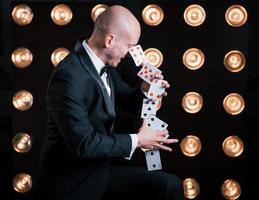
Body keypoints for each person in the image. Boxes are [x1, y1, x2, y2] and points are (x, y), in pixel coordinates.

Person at [33, 5, 184, 200]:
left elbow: (130, 101)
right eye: (130, 46)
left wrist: (146, 90)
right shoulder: (68, 77)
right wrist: (138, 140)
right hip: (73, 181)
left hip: (101, 171)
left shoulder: (105, 67)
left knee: (169, 186)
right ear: (109, 40)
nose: (131, 53)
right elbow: (84, 144)